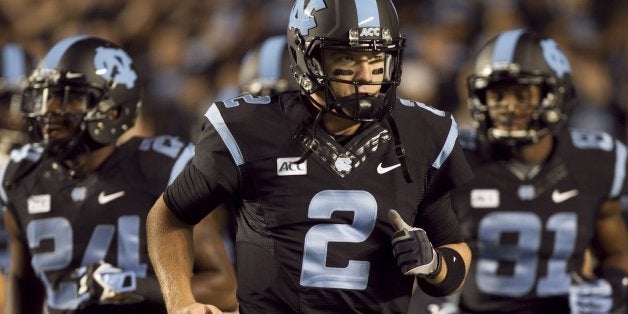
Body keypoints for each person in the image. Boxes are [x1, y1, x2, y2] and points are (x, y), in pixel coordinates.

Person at [147, 0, 474, 313]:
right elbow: (170, 215)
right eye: (347, 60)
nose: (366, 77)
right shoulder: (250, 129)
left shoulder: (422, 133)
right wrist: (180, 301)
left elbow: (455, 249)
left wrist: (434, 265)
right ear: (308, 58)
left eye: (377, 60)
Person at [0, 35, 238, 314]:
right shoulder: (23, 176)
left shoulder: (158, 170)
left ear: (113, 110)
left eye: (71, 97)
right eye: (47, 96)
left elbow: (224, 288)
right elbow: (24, 282)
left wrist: (133, 287)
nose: (50, 109)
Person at [452, 29, 628, 313]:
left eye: (523, 94)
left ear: (556, 93)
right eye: (498, 95)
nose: (508, 107)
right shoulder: (455, 157)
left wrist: (614, 285)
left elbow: (617, 249)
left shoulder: (596, 161)